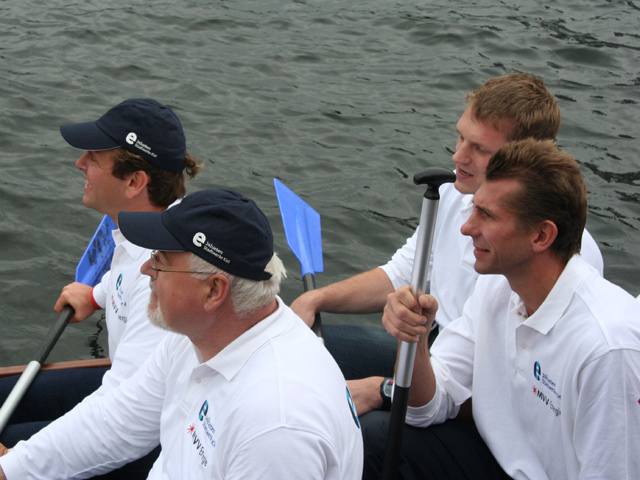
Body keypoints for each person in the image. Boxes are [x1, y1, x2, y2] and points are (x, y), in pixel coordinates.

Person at [290, 73, 604, 414]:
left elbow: (521, 394)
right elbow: (405, 272)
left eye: (479, 149)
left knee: (360, 428)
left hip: (476, 387)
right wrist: (316, 299)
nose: (458, 157)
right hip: (437, 350)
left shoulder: (560, 255)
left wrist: (384, 390)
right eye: (460, 137)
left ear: (523, 159)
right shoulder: (453, 192)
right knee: (287, 344)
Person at [0, 189, 364, 479]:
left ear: (213, 291)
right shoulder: (196, 334)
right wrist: (12, 469)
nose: (145, 269)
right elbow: (119, 419)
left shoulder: (276, 428)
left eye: (160, 260)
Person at [361, 138, 640, 479]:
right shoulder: (498, 285)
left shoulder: (608, 348)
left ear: (541, 236)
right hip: (495, 458)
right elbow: (424, 409)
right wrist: (414, 340)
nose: (467, 228)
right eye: (474, 208)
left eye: (488, 215)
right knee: (375, 435)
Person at [0, 99, 201, 453]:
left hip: (155, 437)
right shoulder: (142, 231)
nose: (79, 163)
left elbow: (126, 420)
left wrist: (15, 462)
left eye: (93, 158)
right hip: (124, 392)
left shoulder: (169, 278)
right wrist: (96, 295)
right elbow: (124, 277)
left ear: (134, 181)